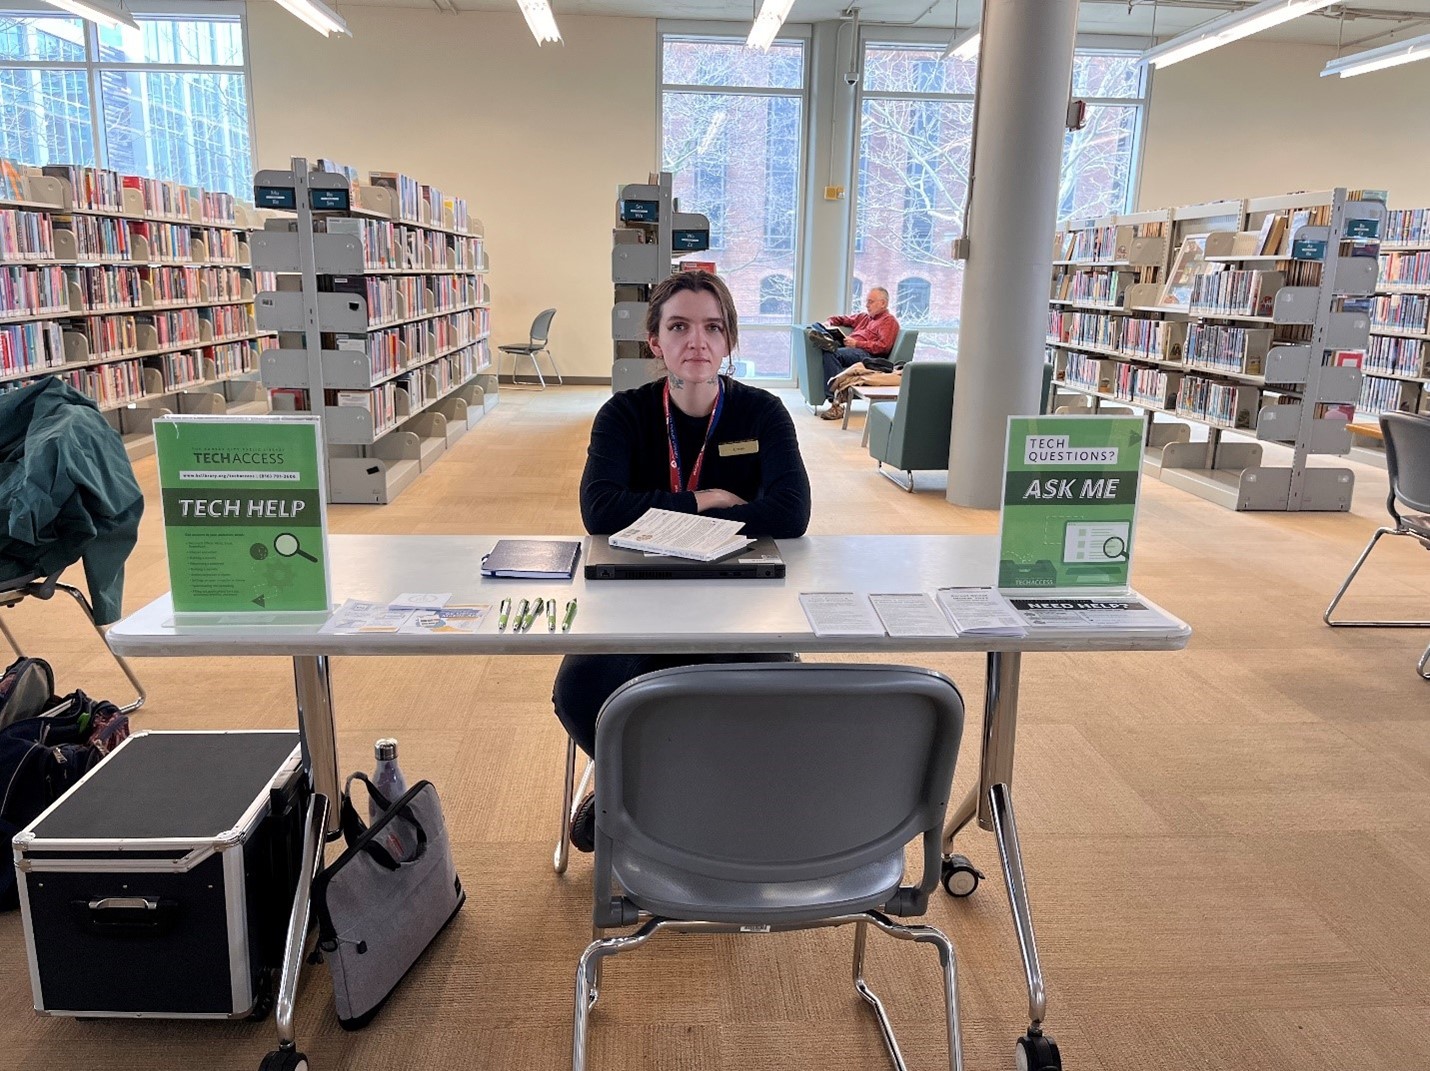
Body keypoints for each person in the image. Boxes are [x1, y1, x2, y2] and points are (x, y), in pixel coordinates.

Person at [552, 270, 812, 851]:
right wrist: (707, 500)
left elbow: (792, 513)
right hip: (637, 592)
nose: (697, 341)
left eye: (712, 327)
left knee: (762, 695)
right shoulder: (624, 414)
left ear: (729, 341)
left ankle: (675, 792)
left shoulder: (763, 414)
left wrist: (653, 513)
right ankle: (634, 782)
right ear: (655, 341)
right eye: (679, 326)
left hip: (740, 598)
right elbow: (599, 511)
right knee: (579, 688)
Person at [814, 287, 900, 421]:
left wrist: (857, 344)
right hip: (850, 349)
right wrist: (829, 322)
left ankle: (836, 403)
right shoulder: (864, 317)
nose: (867, 305)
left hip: (868, 356)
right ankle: (826, 337)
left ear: (883, 303)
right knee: (818, 327)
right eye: (867, 301)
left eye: (871, 302)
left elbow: (883, 347)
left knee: (832, 353)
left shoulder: (888, 321)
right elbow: (842, 319)